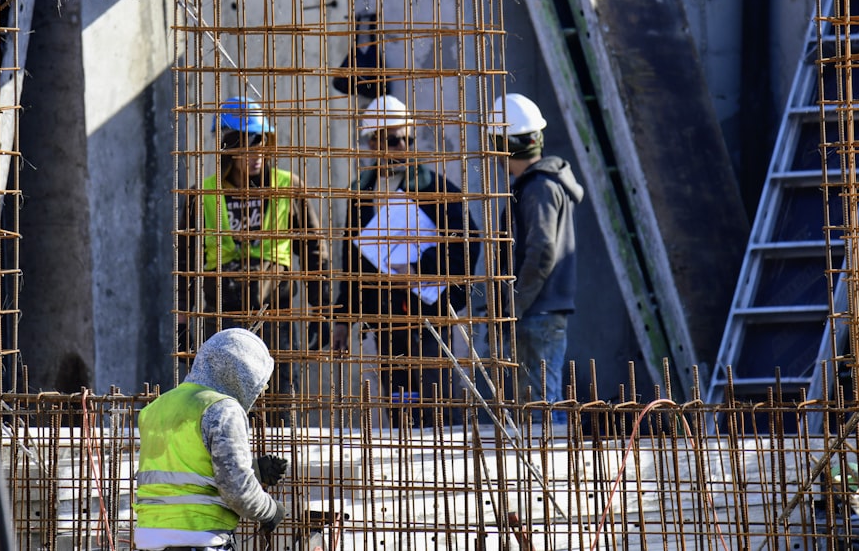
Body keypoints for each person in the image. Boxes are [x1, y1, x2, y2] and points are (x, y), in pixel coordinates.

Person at [176, 96, 331, 426]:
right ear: (228, 148)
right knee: (223, 404)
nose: (256, 154)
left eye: (260, 143)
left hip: (276, 314)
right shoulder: (202, 195)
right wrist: (183, 321)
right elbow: (186, 265)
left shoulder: (288, 188)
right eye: (246, 145)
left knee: (278, 399)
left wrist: (322, 311)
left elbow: (316, 253)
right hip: (223, 315)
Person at [332, 95, 480, 427]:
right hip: (385, 316)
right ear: (373, 142)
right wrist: (344, 317)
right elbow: (353, 260)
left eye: (408, 139)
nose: (402, 146)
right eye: (393, 139)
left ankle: (442, 471)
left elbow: (466, 241)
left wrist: (419, 268)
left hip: (427, 313)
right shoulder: (361, 194)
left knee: (434, 400)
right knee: (400, 403)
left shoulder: (435, 189)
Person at [134, 328, 289, 551]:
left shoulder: (156, 408)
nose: (260, 394)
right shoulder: (222, 409)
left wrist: (253, 469)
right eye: (260, 385)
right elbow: (236, 491)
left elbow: (184, 468)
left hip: (149, 539)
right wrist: (270, 510)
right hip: (200, 538)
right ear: (241, 374)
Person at [490, 93, 584, 426]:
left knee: (542, 406)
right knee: (541, 402)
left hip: (536, 312)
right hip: (540, 311)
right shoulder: (539, 185)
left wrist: (514, 305)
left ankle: (551, 477)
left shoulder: (539, 188)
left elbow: (542, 250)